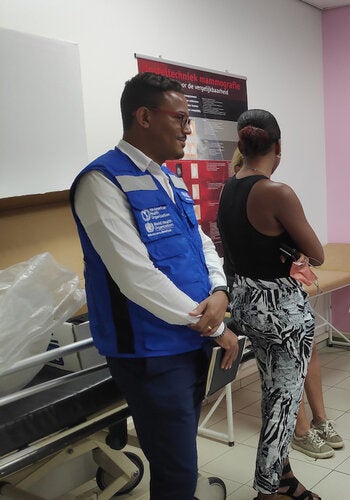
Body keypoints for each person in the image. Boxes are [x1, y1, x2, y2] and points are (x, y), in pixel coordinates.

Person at [70, 72, 239, 498]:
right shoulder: (101, 182)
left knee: (178, 457)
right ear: (143, 116)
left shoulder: (170, 178)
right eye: (180, 117)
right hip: (151, 351)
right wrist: (216, 327)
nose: (187, 128)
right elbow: (136, 278)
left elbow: (200, 241)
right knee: (176, 469)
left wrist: (219, 291)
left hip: (189, 338)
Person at [217, 109, 323, 499]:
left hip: (245, 302)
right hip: (279, 309)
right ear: (277, 147)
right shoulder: (276, 192)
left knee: (274, 392)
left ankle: (286, 479)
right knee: (283, 403)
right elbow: (318, 252)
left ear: (241, 146)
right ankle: (268, 491)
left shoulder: (229, 188)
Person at [230, 147, 345, 460]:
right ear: (273, 153)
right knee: (288, 363)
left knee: (308, 350)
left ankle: (320, 419)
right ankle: (301, 430)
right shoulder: (257, 193)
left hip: (286, 291)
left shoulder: (243, 191)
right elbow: (316, 253)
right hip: (266, 298)